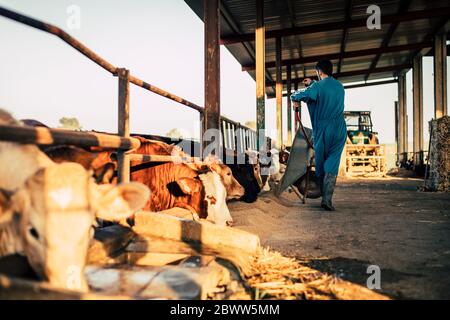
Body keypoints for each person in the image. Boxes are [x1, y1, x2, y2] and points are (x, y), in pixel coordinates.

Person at [290, 59, 347, 211]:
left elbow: (302, 95)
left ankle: (324, 196)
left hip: (323, 129)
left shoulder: (317, 87)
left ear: (319, 72)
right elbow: (324, 90)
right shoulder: (340, 87)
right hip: (340, 128)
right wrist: (313, 83)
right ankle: (327, 199)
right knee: (333, 162)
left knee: (321, 164)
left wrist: (294, 98)